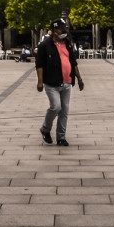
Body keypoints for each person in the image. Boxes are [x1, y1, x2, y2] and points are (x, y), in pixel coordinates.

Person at [35, 18, 84, 146]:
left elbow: (73, 62)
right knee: (56, 107)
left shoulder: (67, 43)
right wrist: (40, 82)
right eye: (62, 29)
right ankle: (45, 129)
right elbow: (39, 64)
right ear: (55, 30)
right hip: (51, 83)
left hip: (67, 82)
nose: (64, 31)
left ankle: (61, 137)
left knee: (64, 111)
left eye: (65, 28)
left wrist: (79, 79)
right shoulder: (45, 45)